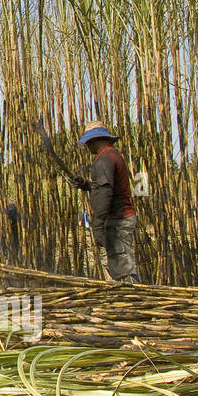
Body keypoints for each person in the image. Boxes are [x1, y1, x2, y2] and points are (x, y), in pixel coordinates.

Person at [71, 121, 140, 284]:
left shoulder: (103, 160)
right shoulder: (112, 155)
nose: (88, 147)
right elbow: (106, 188)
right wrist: (86, 185)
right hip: (121, 218)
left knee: (123, 270)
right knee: (117, 266)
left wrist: (98, 225)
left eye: (88, 143)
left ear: (94, 140)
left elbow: (105, 194)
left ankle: (132, 301)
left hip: (118, 220)